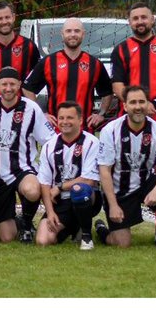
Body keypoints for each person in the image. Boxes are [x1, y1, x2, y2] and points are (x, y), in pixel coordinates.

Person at [94, 85, 156, 249]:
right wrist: (113, 205)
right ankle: (102, 230)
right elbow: (104, 171)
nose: (138, 107)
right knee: (122, 243)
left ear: (148, 104)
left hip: (145, 184)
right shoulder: (111, 131)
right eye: (133, 102)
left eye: (142, 102)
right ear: (125, 106)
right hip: (119, 191)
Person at [0, 67, 52, 244]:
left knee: (33, 190)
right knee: (7, 237)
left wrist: (46, 169)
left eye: (12, 84)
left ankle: (27, 225)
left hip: (22, 169)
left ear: (19, 84)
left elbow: (49, 141)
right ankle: (16, 222)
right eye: (4, 84)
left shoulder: (31, 108)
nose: (8, 88)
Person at [23, 17, 115, 130]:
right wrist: (41, 114)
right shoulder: (48, 62)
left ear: (83, 34)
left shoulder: (94, 64)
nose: (72, 34)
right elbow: (27, 88)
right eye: (68, 31)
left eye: (77, 31)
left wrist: (101, 114)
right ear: (62, 34)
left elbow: (107, 92)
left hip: (84, 130)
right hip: (55, 131)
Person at [35, 100, 101, 250]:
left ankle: (86, 236)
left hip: (87, 198)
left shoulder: (92, 142)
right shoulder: (49, 146)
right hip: (61, 203)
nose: (65, 122)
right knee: (43, 240)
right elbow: (44, 183)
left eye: (70, 118)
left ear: (80, 120)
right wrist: (50, 211)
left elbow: (89, 179)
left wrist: (59, 187)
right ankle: (74, 227)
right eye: (61, 118)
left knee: (79, 188)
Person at [110, 4, 156, 132]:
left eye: (144, 17)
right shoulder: (120, 50)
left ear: (152, 19)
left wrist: (153, 104)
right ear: (130, 22)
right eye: (135, 18)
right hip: (127, 119)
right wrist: (138, 105)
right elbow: (117, 86)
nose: (140, 21)